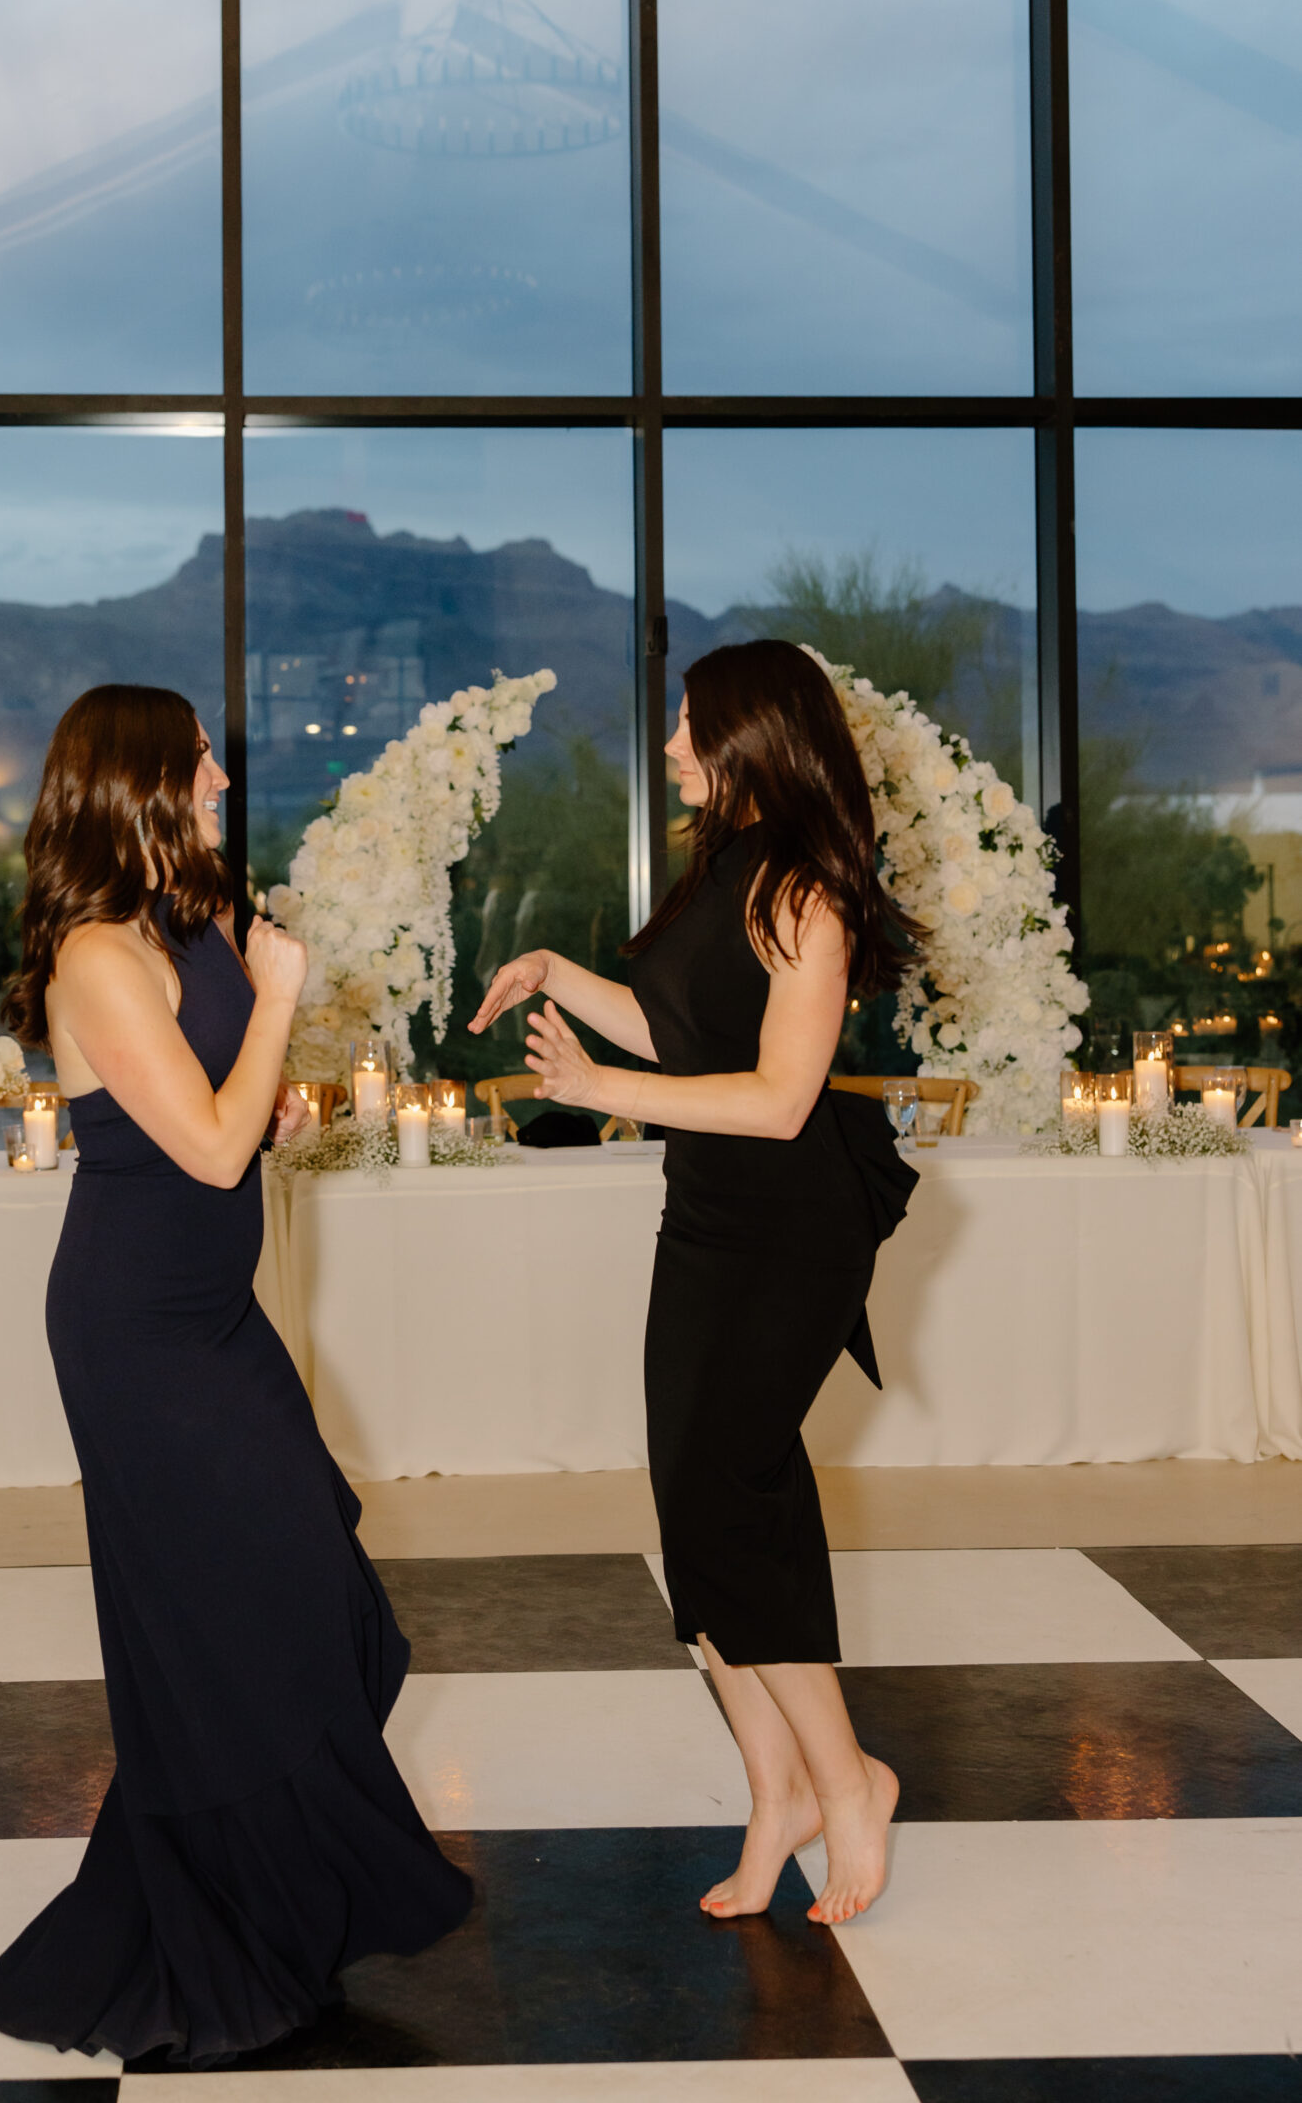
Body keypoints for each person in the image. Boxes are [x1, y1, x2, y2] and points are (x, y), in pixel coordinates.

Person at [0, 684, 471, 2067]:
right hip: (137, 1335)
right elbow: (201, 1150)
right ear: (138, 780)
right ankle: (218, 1935)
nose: (222, 781)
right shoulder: (93, 958)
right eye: (199, 761)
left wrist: (274, 1077)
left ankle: (250, 1910)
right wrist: (283, 1006)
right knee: (236, 1620)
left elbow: (229, 1116)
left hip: (210, 1314)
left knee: (313, 1603)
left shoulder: (171, 931)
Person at [470, 639, 920, 1928]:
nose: (671, 748)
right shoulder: (721, 871)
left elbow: (780, 1102)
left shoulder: (807, 892)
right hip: (710, 1216)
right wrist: (558, 975)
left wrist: (602, 1093)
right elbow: (683, 1034)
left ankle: (851, 1785)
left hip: (793, 1229)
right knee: (696, 1510)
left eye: (689, 729)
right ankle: (773, 1791)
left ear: (752, 743)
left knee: (734, 1503)